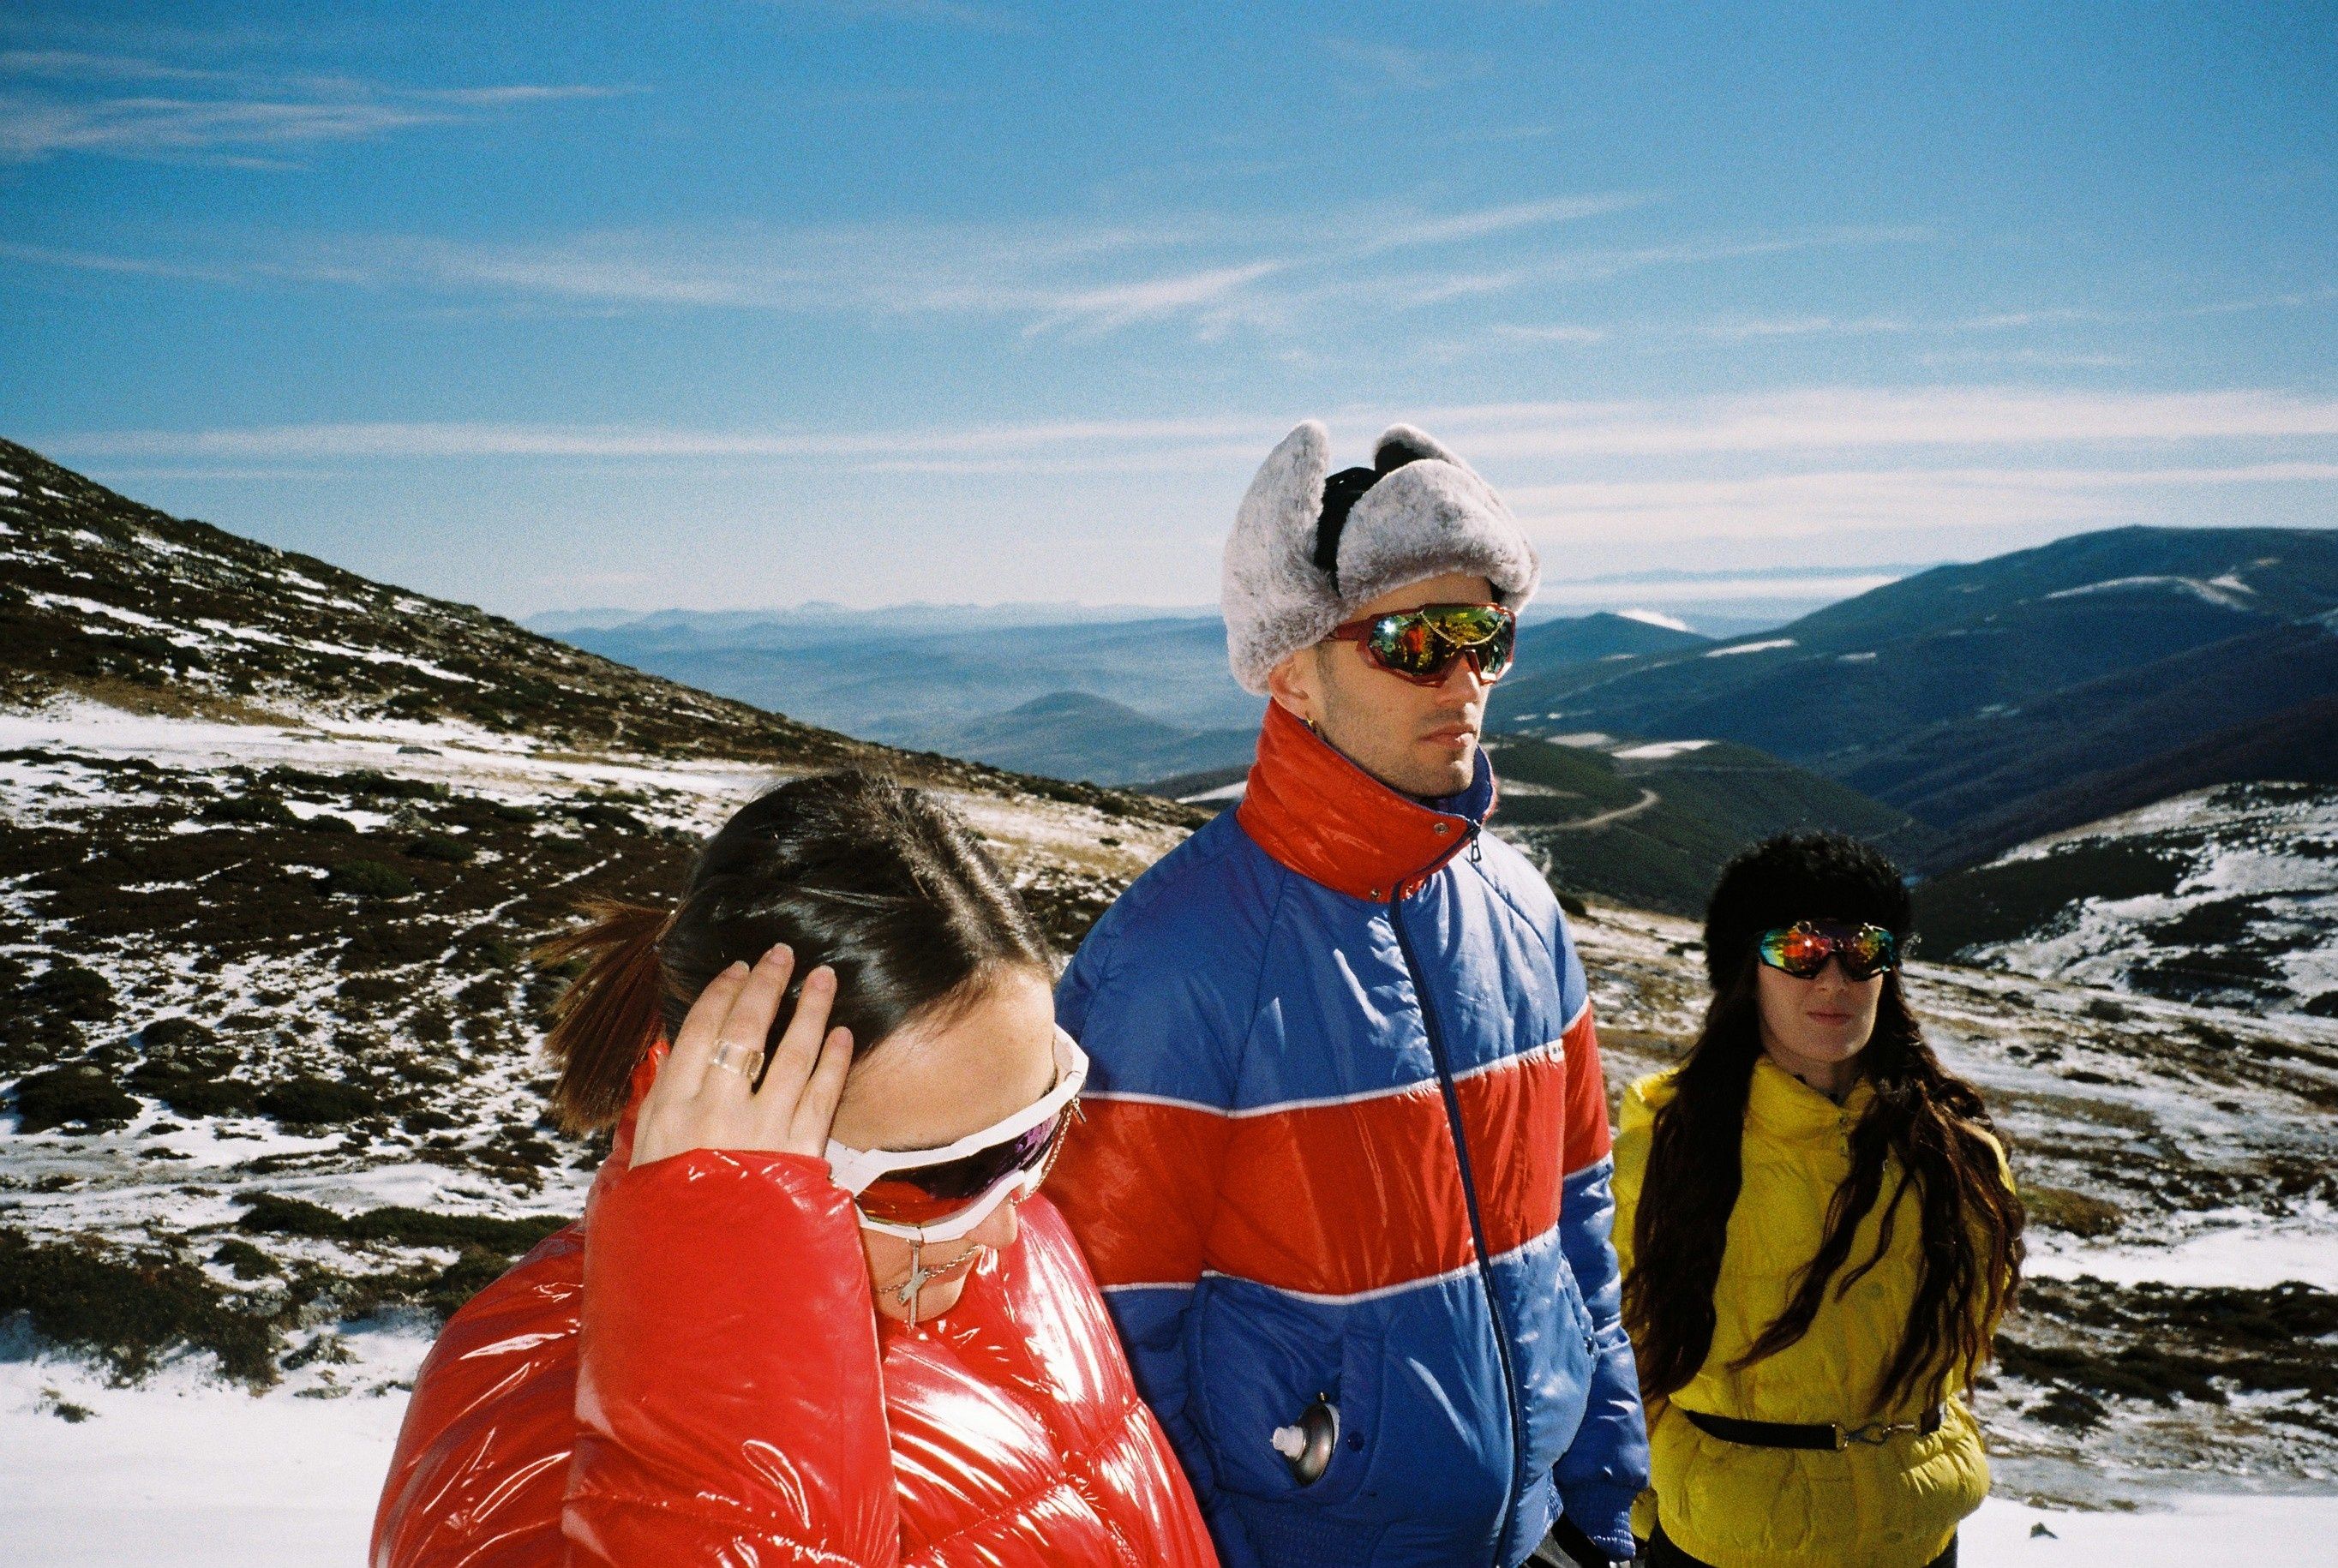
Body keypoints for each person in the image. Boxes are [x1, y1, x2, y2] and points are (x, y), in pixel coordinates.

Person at [1045, 422, 1649, 1568]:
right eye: (1414, 639)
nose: (1463, 677)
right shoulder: (1172, 961)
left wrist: (1601, 1493)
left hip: (1539, 1540)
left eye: (1486, 635)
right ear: (1293, 670)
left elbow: (1578, 1234)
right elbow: (1109, 1340)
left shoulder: (1524, 915)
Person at [371, 769, 1220, 1568]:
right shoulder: (515, 1407)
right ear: (734, 1120)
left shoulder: (1018, 1245)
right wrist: (731, 1355)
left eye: (1033, 1132)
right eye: (936, 1177)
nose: (1004, 1222)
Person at [1612, 833, 2024, 1568]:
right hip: (1727, 1544)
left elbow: (1963, 1341)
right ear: (1750, 970)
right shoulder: (1670, 1143)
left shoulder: (1957, 1154)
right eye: (1800, 951)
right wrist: (1655, 1507)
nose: (1833, 979)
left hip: (1915, 1535)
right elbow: (1621, 1348)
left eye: (1862, 950)